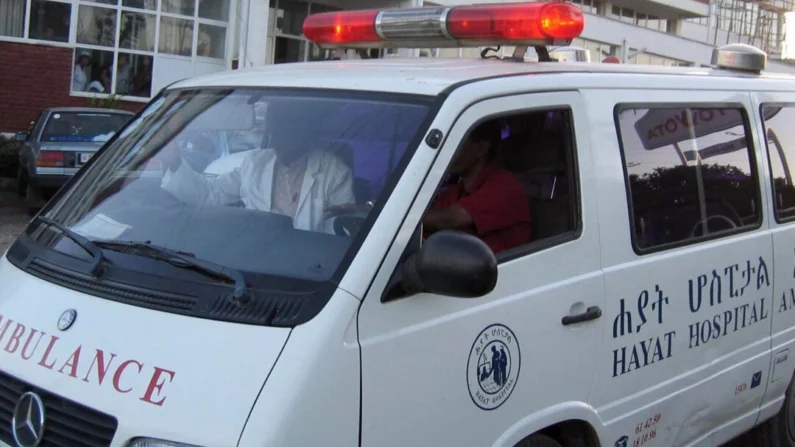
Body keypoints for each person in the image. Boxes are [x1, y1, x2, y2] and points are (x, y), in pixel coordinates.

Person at [155, 115, 355, 235]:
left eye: (286, 127)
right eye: (274, 128)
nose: (279, 135)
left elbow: (339, 235)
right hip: (257, 262)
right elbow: (210, 193)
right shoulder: (255, 164)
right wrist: (174, 162)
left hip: (308, 271)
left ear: (304, 130)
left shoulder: (334, 172)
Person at [422, 120, 531, 254]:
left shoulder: (505, 186)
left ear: (481, 149)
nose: (448, 153)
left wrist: (406, 219)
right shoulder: (456, 192)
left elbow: (449, 219)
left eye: (456, 144)